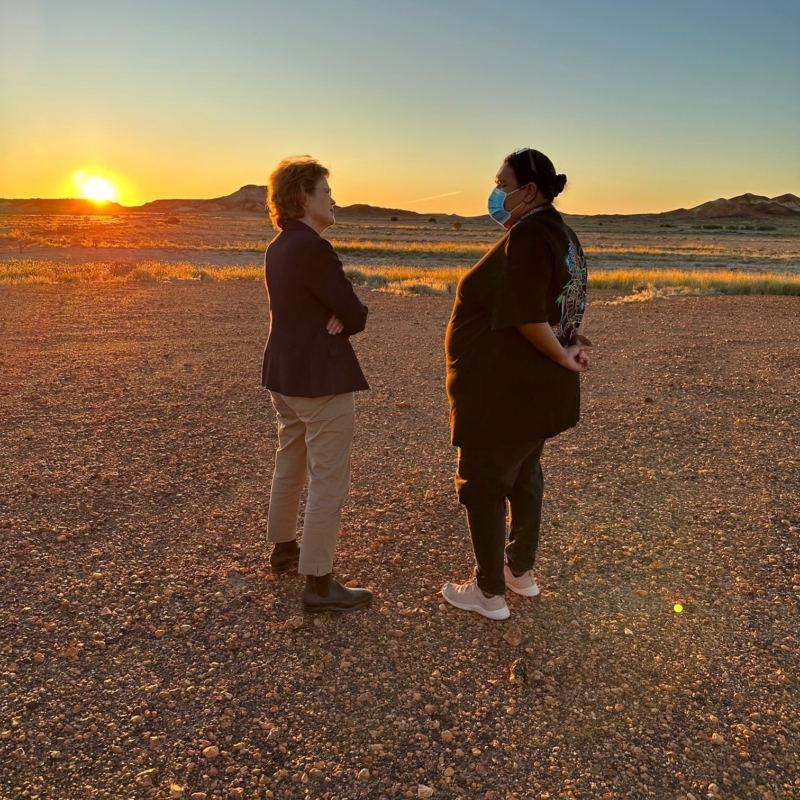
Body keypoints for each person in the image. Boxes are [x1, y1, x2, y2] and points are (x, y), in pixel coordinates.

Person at [442, 147, 592, 620]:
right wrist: (572, 343)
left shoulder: (528, 236)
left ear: (528, 191)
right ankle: (519, 573)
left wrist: (566, 355)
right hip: (534, 393)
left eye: (502, 185)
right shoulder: (562, 233)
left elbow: (529, 316)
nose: (496, 194)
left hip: (504, 391)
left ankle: (488, 594)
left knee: (484, 484)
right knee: (525, 477)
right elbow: (562, 304)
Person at [261, 156, 372, 612]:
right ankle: (319, 582)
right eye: (325, 191)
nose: (332, 200)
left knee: (290, 463)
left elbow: (327, 310)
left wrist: (337, 316)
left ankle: (284, 549)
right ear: (304, 196)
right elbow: (356, 312)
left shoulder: (279, 246)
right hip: (319, 380)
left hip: (284, 376)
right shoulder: (312, 247)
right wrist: (343, 318)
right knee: (329, 478)